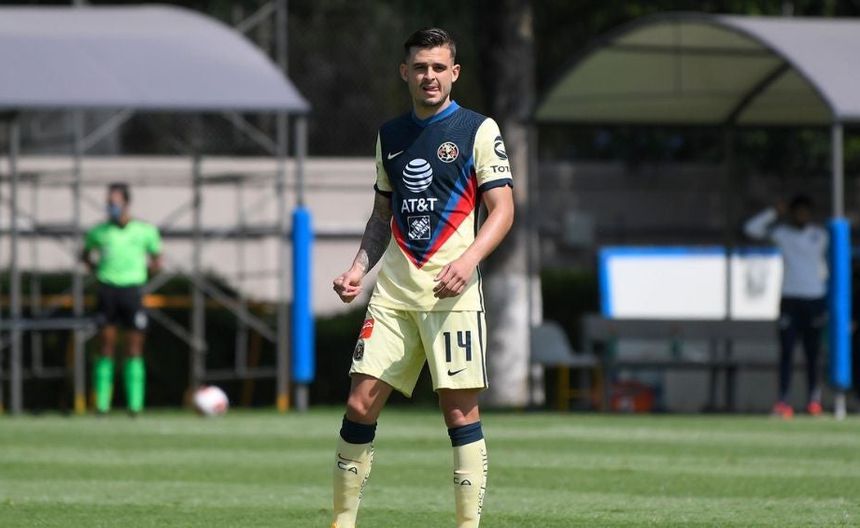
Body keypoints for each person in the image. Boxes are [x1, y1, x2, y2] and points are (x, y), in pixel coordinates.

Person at [330, 28, 514, 528]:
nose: (429, 76)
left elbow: (503, 210)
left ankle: (467, 525)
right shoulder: (390, 135)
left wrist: (468, 261)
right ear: (404, 72)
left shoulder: (478, 129)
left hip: (451, 296)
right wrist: (357, 269)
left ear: (454, 73)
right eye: (420, 67)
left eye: (438, 67)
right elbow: (381, 217)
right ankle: (342, 522)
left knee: (459, 413)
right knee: (359, 403)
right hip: (394, 293)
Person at [744, 194, 828, 418]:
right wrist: (774, 212)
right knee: (787, 352)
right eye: (798, 211)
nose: (802, 215)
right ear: (792, 213)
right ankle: (783, 401)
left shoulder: (820, 235)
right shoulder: (782, 233)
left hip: (814, 299)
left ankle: (814, 400)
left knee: (813, 353)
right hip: (790, 299)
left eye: (805, 211)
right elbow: (751, 229)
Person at [82, 182, 162, 415]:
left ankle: (135, 405)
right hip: (107, 290)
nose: (111, 207)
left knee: (134, 348)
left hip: (132, 291)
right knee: (105, 346)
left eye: (114, 202)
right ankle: (102, 405)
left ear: (126, 203)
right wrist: (96, 270)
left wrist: (145, 273)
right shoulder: (99, 232)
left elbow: (157, 257)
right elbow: (85, 254)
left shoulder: (144, 231)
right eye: (109, 203)